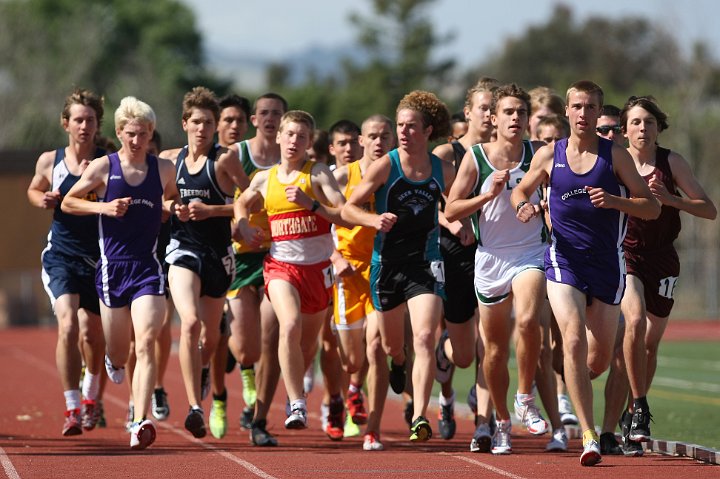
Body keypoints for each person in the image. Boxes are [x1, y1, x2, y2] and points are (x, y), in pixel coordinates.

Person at [511, 80, 660, 466]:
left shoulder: (617, 157)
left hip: (607, 266)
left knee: (596, 361)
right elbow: (519, 191)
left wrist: (614, 201)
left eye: (590, 107)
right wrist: (523, 206)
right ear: (568, 112)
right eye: (576, 106)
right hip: (563, 261)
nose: (582, 113)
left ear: (598, 111)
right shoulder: (549, 154)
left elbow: (651, 208)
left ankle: (575, 382)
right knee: (573, 338)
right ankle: (590, 435)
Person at [61, 96, 182, 450]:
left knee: (145, 342)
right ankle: (111, 364)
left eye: (144, 133)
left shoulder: (162, 169)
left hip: (147, 267)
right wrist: (104, 206)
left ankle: (139, 418)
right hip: (113, 269)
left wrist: (170, 209)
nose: (137, 140)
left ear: (151, 133)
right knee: (118, 352)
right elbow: (69, 201)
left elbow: (170, 198)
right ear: (119, 132)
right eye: (131, 133)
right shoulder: (103, 167)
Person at [445, 83, 558, 455]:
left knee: (527, 321)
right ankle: (501, 422)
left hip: (530, 251)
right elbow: (451, 211)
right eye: (508, 112)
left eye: (521, 113)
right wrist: (486, 195)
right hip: (490, 256)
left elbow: (557, 198)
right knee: (492, 351)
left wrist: (541, 207)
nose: (515, 118)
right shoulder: (476, 157)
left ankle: (524, 397)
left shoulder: (539, 153)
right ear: (493, 118)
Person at [341, 90, 455, 443]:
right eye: (400, 126)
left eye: (411, 127)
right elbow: (348, 209)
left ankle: (420, 414)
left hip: (426, 261)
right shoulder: (386, 165)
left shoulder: (442, 168)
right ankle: (399, 363)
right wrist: (373, 221)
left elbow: (459, 203)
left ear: (427, 130)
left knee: (424, 336)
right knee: (392, 347)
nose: (404, 132)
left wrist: (463, 222)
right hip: (386, 264)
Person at [234, 110, 347, 433]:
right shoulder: (264, 178)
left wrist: (312, 205)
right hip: (280, 267)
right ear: (279, 137)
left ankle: (294, 389)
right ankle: (297, 401)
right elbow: (243, 203)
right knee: (290, 324)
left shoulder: (318, 174)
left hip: (317, 271)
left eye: (301, 136)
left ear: (310, 142)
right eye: (290, 134)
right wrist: (242, 224)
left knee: (306, 346)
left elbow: (342, 213)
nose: (294, 141)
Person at [617, 96, 716, 455]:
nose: (643, 128)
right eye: (636, 122)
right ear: (624, 128)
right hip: (626, 254)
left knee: (649, 343)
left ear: (659, 128)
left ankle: (632, 411)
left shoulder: (671, 161)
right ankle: (640, 407)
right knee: (633, 322)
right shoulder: (616, 161)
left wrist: (672, 200)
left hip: (663, 259)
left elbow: (709, 209)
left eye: (649, 122)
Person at [161, 86, 249, 439]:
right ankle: (196, 406)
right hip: (182, 249)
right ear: (185, 123)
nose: (202, 129)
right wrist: (172, 208)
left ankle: (203, 373)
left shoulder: (225, 160)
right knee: (190, 323)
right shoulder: (170, 160)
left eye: (208, 123)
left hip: (218, 253)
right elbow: (161, 199)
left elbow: (251, 199)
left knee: (210, 339)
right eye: (196, 122)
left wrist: (214, 210)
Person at [27, 88, 107, 436]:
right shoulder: (50, 160)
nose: (84, 126)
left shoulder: (108, 160)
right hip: (61, 255)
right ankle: (72, 408)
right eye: (78, 119)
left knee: (93, 333)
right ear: (66, 124)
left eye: (90, 120)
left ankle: (91, 397)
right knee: (68, 325)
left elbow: (125, 197)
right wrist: (41, 198)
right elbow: (33, 189)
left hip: (102, 258)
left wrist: (99, 181)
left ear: (97, 124)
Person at [431, 76, 498, 445]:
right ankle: (445, 350)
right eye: (483, 108)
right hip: (456, 252)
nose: (489, 115)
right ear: (469, 112)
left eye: (494, 108)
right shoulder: (446, 155)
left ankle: (484, 423)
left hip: (496, 252)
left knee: (491, 341)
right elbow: (435, 204)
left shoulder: (508, 153)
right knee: (463, 355)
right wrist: (457, 224)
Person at [225, 93, 287, 446]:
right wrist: (238, 223)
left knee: (271, 336)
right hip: (241, 256)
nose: (270, 119)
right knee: (247, 350)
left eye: (277, 114)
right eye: (264, 113)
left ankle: (259, 417)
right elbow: (223, 195)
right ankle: (233, 340)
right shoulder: (236, 156)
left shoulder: (292, 158)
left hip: (277, 257)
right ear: (254, 119)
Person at [331, 114, 395, 450]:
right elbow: (321, 218)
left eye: (385, 136)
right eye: (372, 136)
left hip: (382, 271)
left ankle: (373, 428)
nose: (378, 142)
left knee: (377, 348)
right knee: (352, 360)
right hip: (348, 273)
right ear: (361, 141)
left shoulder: (396, 174)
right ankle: (351, 389)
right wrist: (334, 256)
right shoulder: (342, 176)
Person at [205, 93, 252, 439]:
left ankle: (249, 369)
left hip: (248, 257)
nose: (233, 126)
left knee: (252, 335)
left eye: (239, 120)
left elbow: (251, 197)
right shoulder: (199, 157)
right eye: (227, 121)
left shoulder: (248, 157)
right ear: (216, 125)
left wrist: (243, 218)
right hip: (209, 254)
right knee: (216, 338)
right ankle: (219, 398)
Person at [319, 119, 365, 440]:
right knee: (330, 343)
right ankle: (333, 398)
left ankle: (352, 394)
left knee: (370, 343)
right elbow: (318, 226)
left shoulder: (372, 176)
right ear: (332, 149)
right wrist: (335, 257)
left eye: (353, 142)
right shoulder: (330, 180)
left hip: (369, 268)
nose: (349, 149)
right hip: (334, 270)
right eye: (342, 144)